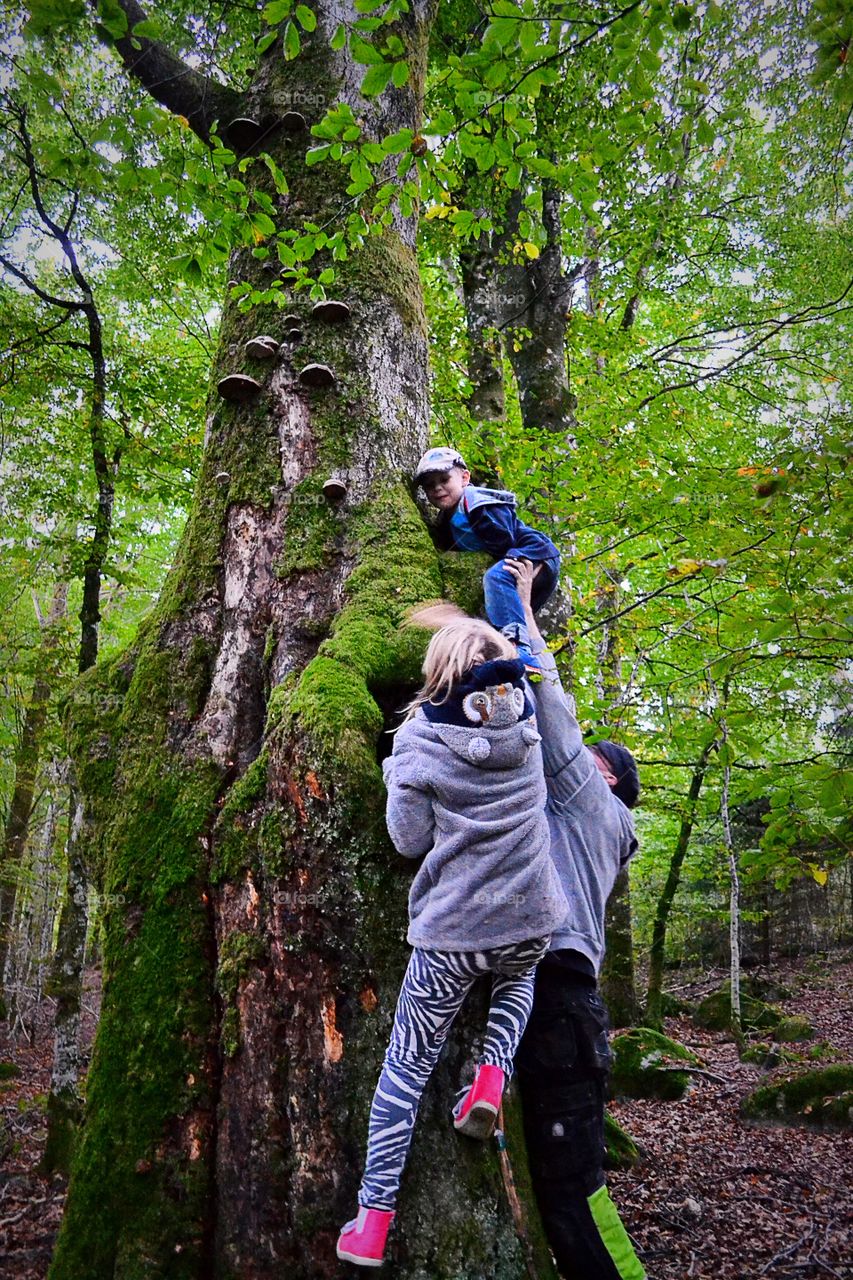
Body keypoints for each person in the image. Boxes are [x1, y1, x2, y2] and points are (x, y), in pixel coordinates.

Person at [336, 616, 568, 1268]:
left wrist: (396, 771)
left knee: (405, 1071)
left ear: (438, 673)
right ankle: (490, 1077)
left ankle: (372, 1221)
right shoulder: (527, 726)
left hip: (456, 933)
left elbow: (407, 840)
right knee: (518, 979)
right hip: (533, 917)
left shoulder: (419, 740)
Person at [505, 557, 646, 1280]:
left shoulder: (588, 801)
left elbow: (547, 695)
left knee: (572, 1191)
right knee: (555, 1181)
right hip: (559, 1003)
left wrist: (522, 605)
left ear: (606, 775)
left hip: (556, 998)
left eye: (585, 757)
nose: (570, 757)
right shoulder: (601, 829)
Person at [413, 446, 561, 672]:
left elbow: (505, 537)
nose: (437, 488)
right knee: (496, 609)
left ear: (465, 478)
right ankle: (507, 654)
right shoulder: (447, 518)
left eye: (444, 479)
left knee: (496, 578)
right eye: (429, 486)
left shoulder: (477, 502)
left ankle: (520, 649)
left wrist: (500, 555)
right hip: (520, 557)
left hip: (534, 552)